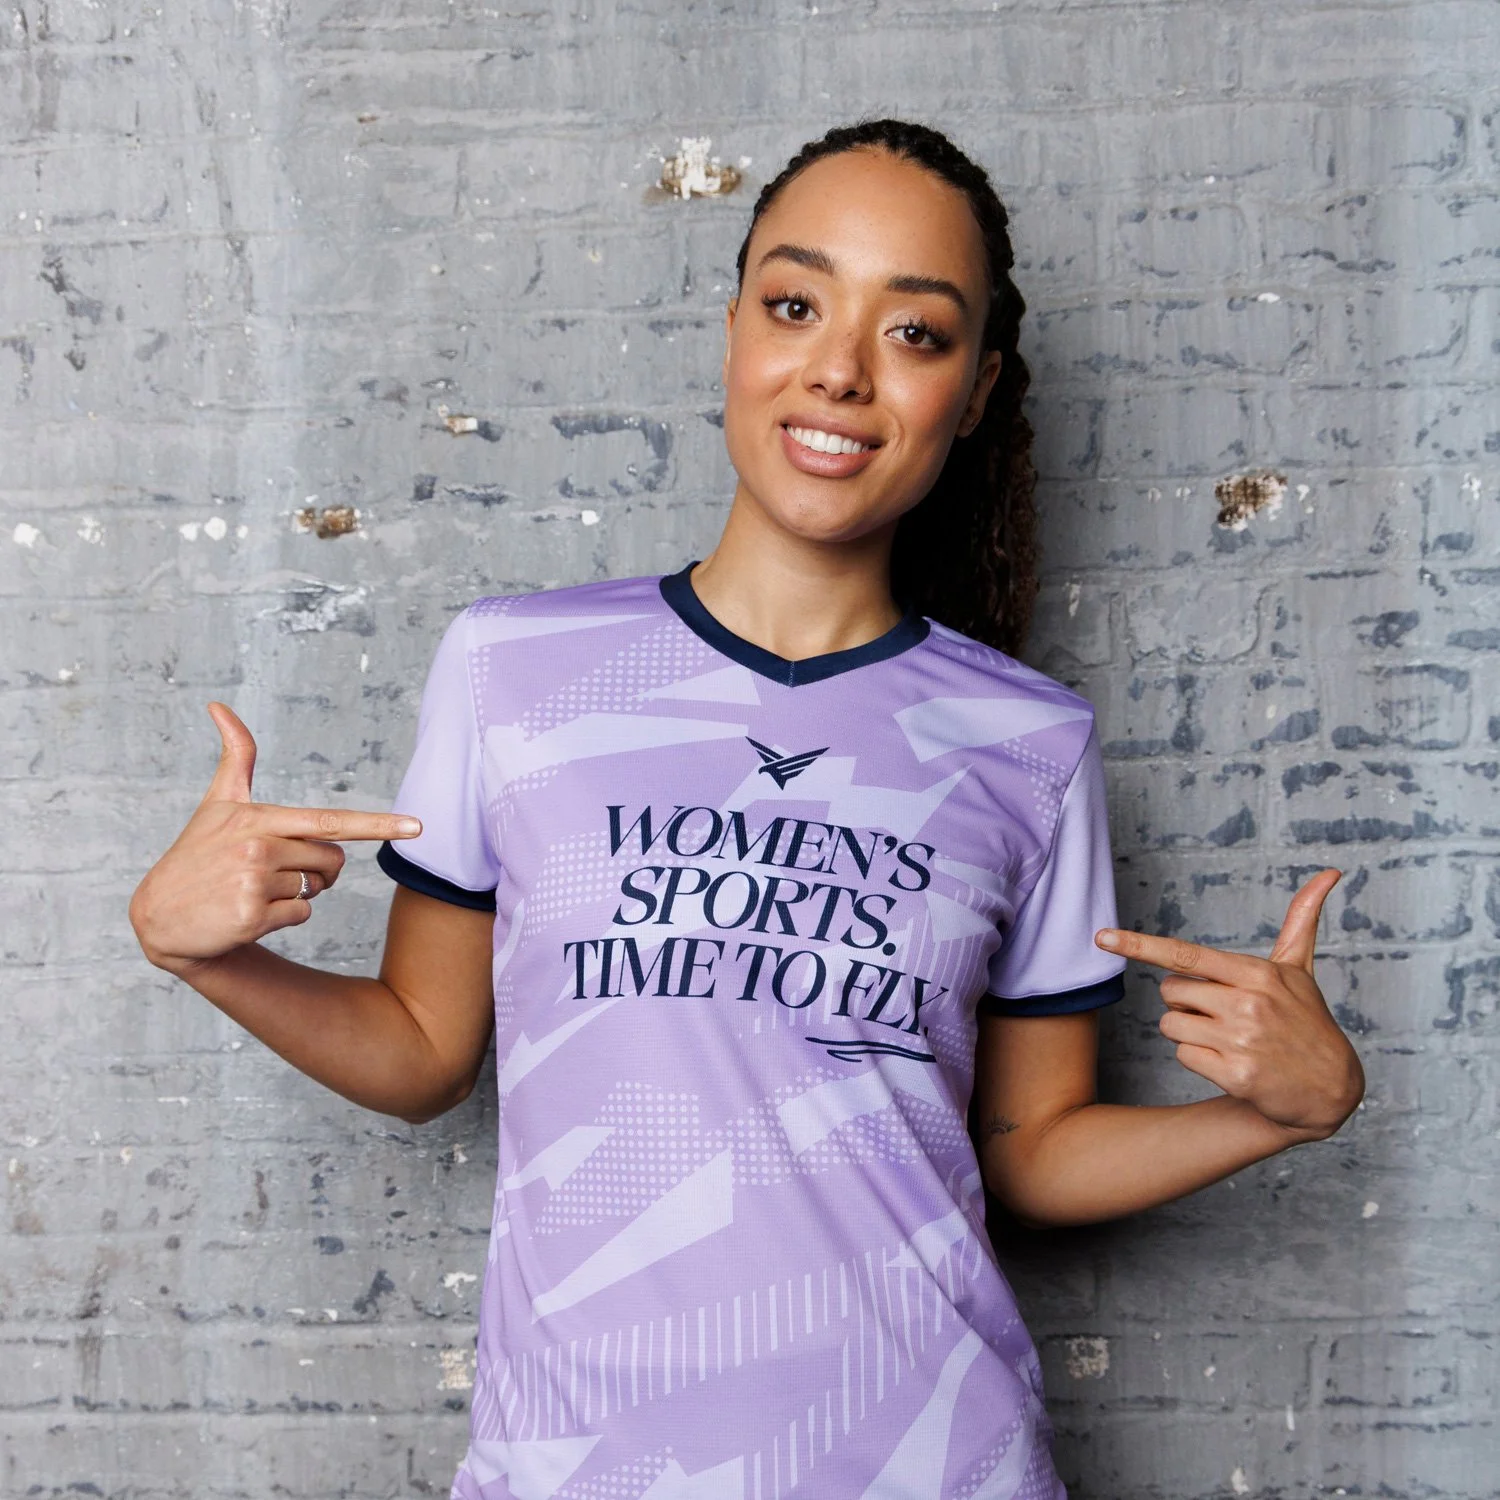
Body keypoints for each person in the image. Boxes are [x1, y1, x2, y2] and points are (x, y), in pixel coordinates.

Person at [130, 119, 1364, 1499]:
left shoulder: (1032, 745)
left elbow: (1033, 1151)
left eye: (915, 333)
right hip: (579, 1469)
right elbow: (423, 1051)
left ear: (974, 392)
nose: (839, 369)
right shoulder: (514, 669)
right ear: (732, 329)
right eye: (795, 305)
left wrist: (1281, 1114)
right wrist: (205, 955)